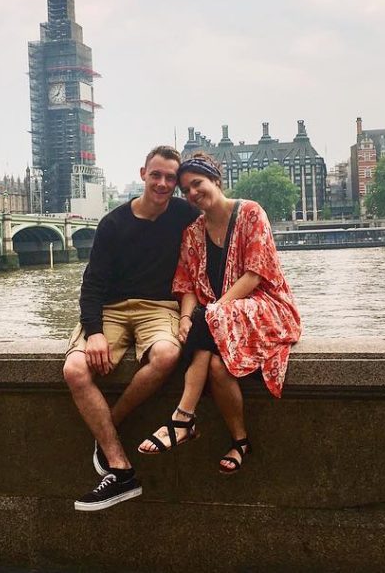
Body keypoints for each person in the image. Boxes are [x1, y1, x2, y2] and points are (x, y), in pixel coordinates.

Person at [137, 152, 302, 474]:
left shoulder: (251, 213)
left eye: (197, 184)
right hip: (218, 321)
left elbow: (255, 274)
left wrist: (213, 312)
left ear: (215, 180)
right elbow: (185, 285)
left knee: (208, 318)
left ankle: (182, 417)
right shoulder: (193, 232)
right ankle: (240, 442)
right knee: (214, 365)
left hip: (267, 307)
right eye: (186, 190)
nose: (192, 194)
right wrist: (186, 318)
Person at [63, 146, 200, 512]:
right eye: (156, 175)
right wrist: (93, 331)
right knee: (74, 369)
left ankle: (110, 425)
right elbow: (91, 285)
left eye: (171, 178)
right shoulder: (113, 224)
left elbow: (219, 212)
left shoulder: (186, 215)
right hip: (111, 309)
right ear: (143, 174)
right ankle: (120, 466)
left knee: (168, 355)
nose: (163, 183)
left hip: (158, 307)